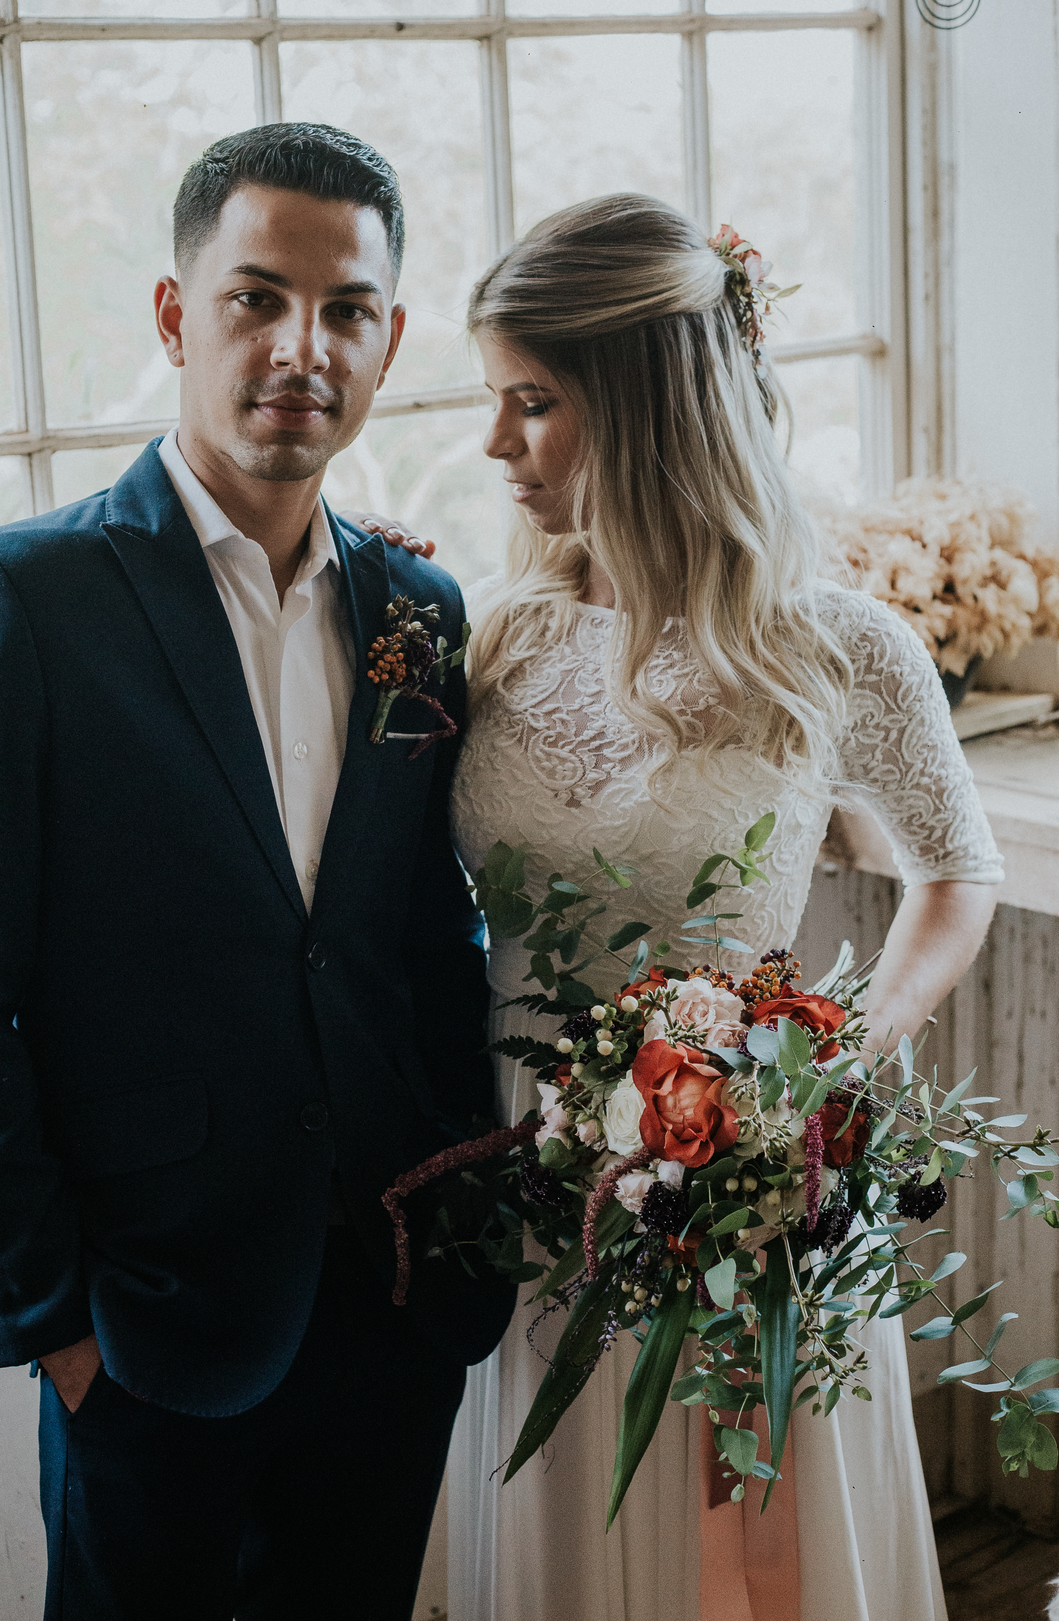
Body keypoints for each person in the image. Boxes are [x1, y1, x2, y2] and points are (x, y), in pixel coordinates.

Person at [0, 122, 514, 1620]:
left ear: (391, 336)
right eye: (258, 297)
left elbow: (428, 945)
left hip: (394, 1303)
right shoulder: (20, 600)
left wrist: (469, 1222)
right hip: (147, 1330)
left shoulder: (415, 607)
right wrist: (57, 1331)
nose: (305, 346)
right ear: (178, 314)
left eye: (348, 309)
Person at [358, 193, 1003, 1621]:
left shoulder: (834, 649)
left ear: (646, 409)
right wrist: (368, 608)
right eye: (492, 400)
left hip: (739, 1216)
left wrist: (828, 1059)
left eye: (533, 403)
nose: (494, 445)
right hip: (530, 1221)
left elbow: (960, 872)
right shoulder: (498, 636)